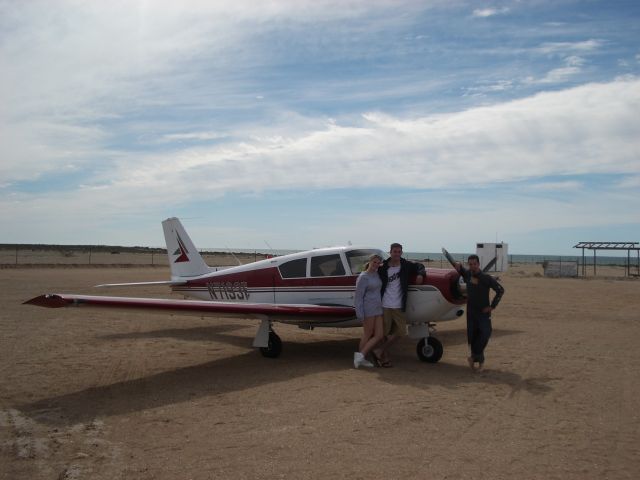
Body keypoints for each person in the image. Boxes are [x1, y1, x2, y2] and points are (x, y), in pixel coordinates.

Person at [374, 243, 425, 367]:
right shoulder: (383, 267)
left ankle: (380, 350)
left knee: (401, 332)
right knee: (384, 333)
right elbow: (369, 270)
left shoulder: (406, 265)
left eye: (399, 251)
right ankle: (383, 357)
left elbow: (420, 266)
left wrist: (420, 274)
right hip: (385, 304)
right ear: (390, 252)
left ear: (401, 253)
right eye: (394, 251)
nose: (396, 254)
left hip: (399, 304)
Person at [454, 254, 505, 371]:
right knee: (473, 336)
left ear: (478, 264)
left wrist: (492, 306)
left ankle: (474, 357)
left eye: (475, 264)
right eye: (470, 264)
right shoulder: (467, 275)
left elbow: (500, 290)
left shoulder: (486, 278)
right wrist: (457, 265)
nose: (473, 266)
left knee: (486, 333)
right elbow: (459, 269)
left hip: (483, 312)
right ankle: (478, 359)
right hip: (471, 312)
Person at [353, 254, 385, 368]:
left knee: (379, 335)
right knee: (367, 334)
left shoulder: (376, 274)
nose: (376, 265)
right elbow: (358, 297)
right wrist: (360, 313)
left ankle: (360, 356)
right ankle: (362, 359)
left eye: (378, 263)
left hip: (378, 307)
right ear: (369, 261)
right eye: (374, 262)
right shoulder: (363, 277)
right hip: (368, 308)